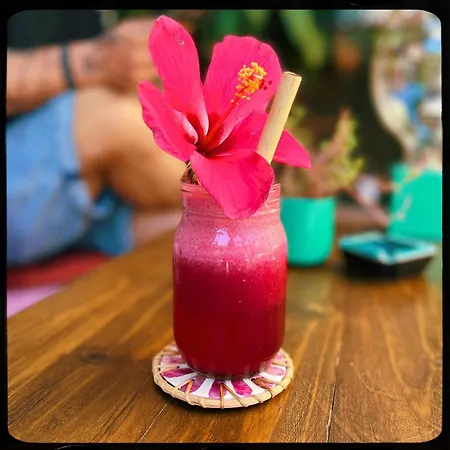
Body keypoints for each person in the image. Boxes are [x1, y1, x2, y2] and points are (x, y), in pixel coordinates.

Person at [7, 10, 186, 267]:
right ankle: (229, 201)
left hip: (86, 187)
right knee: (117, 121)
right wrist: (98, 60)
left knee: (192, 230)